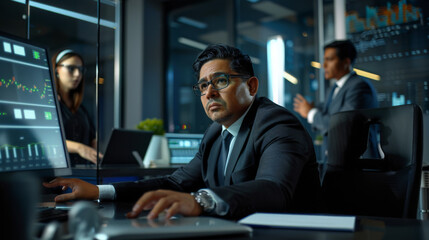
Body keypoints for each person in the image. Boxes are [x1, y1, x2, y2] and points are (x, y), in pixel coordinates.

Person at [44, 44, 321, 220]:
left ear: (251, 86)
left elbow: (274, 190)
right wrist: (100, 191)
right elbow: (176, 183)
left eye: (220, 81)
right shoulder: (216, 133)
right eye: (202, 86)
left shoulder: (277, 123)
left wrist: (200, 201)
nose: (209, 92)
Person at [293, 40, 378, 180]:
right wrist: (313, 110)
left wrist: (311, 113)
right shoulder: (334, 89)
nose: (324, 65)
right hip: (336, 164)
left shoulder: (359, 87)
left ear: (346, 62)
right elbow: (330, 115)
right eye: (324, 60)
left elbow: (342, 125)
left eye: (329, 59)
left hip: (355, 169)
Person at [52, 49, 102, 166]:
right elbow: (46, 139)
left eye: (80, 70)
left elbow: (92, 140)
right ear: (56, 70)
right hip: (58, 172)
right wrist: (79, 148)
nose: (77, 74)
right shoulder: (49, 104)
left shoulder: (82, 108)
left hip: (83, 172)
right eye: (71, 68)